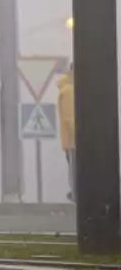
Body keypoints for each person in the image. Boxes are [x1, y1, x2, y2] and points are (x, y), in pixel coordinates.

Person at [58, 63, 76, 203]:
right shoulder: (70, 91)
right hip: (74, 141)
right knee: (77, 170)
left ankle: (76, 194)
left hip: (72, 141)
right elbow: (71, 118)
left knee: (75, 170)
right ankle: (76, 195)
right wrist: (83, 135)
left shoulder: (70, 89)